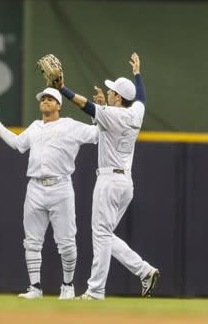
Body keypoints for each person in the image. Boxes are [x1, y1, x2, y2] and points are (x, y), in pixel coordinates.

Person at [56, 53, 160, 300]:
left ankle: (95, 291)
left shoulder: (113, 114)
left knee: (101, 234)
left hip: (109, 181)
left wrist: (63, 89)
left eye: (112, 92)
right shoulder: (135, 113)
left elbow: (87, 106)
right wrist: (138, 73)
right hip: (125, 183)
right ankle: (145, 271)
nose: (109, 92)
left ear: (119, 98)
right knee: (105, 235)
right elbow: (141, 97)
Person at [0, 87, 99, 300]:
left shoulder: (70, 125)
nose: (45, 101)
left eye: (50, 98)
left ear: (58, 105)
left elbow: (97, 134)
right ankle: (35, 288)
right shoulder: (35, 127)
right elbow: (18, 144)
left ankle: (68, 285)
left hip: (61, 187)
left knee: (66, 243)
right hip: (35, 187)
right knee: (32, 242)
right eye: (43, 98)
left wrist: (98, 111)